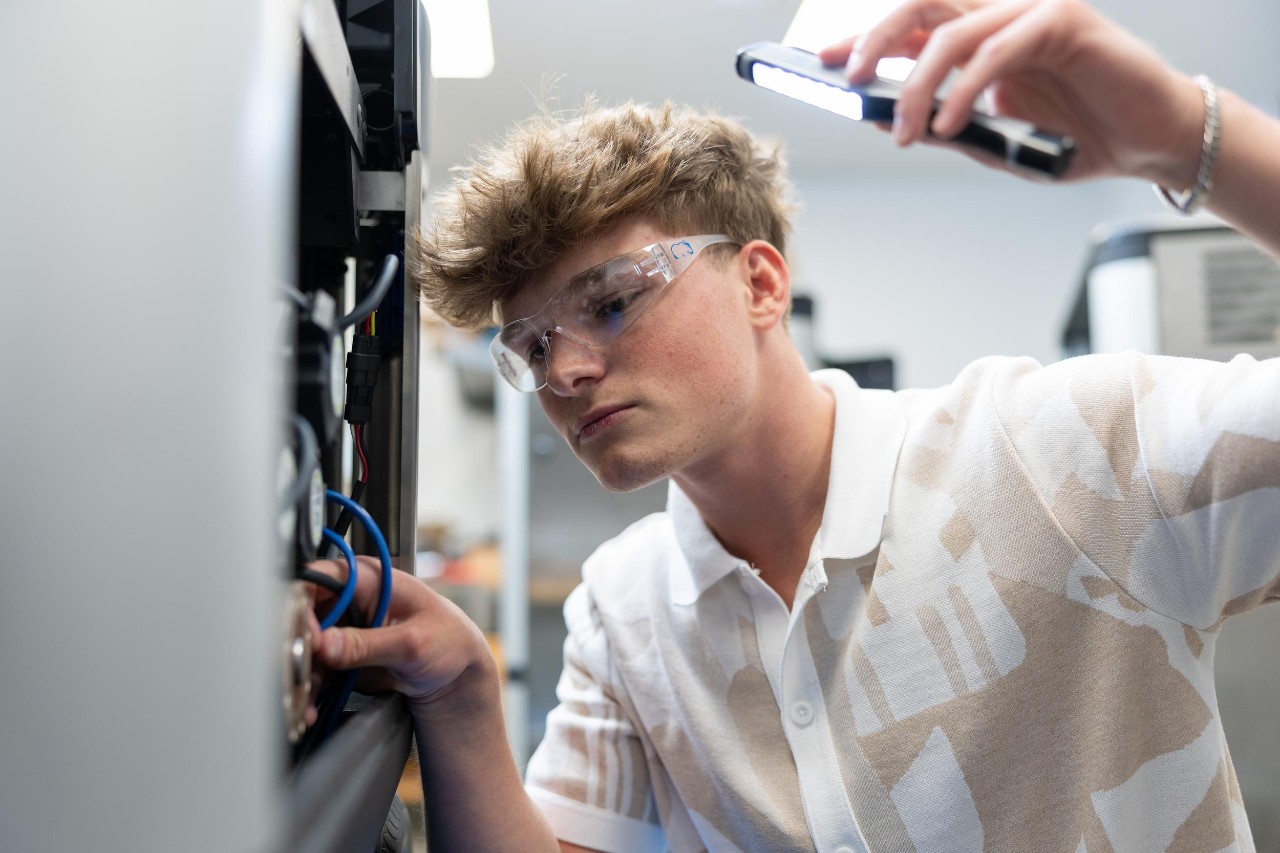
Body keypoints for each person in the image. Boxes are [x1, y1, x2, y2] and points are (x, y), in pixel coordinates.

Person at [308, 0, 1280, 849]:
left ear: (761, 283)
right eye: (528, 344)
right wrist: (466, 695)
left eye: (609, 303)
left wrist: (1186, 140)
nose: (562, 369)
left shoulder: (1055, 445)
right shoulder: (627, 605)